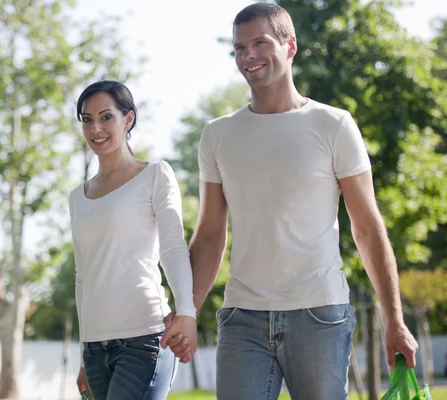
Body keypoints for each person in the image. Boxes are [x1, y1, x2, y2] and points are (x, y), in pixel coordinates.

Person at [163, 3, 418, 399]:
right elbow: (211, 233)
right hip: (242, 317)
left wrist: (395, 320)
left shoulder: (333, 125)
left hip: (319, 315)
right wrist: (186, 311)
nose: (248, 56)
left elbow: (367, 228)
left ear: (290, 46)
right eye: (239, 48)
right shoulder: (218, 135)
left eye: (259, 43)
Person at [69, 80, 198, 400]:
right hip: (97, 350)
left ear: (128, 120)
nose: (95, 128)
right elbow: (83, 277)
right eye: (87, 120)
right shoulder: (78, 197)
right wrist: (85, 354)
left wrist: (187, 313)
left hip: (144, 338)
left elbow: (172, 248)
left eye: (105, 117)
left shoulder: (155, 174)